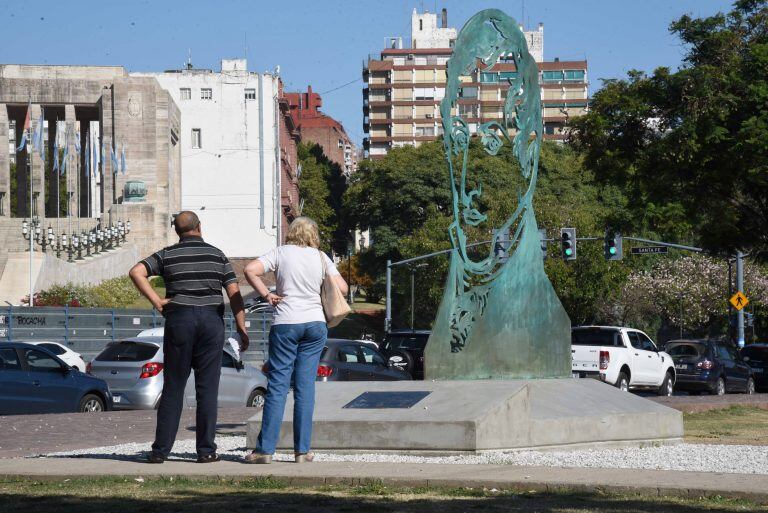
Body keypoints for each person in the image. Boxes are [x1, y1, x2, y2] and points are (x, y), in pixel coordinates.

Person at [128, 211, 249, 464]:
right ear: (200, 226)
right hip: (210, 322)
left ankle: (160, 451)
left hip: (179, 320)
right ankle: (206, 451)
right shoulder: (217, 255)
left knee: (173, 386)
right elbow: (234, 293)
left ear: (177, 231)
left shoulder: (167, 254)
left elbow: (136, 271)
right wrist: (242, 329)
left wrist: (158, 302)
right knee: (207, 390)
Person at [242, 216, 348, 464]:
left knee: (278, 386)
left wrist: (267, 294)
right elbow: (342, 288)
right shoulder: (321, 257)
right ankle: (302, 451)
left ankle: (265, 451)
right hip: (315, 324)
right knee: (305, 388)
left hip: (286, 322)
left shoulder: (281, 253)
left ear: (292, 232)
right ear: (313, 235)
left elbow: (249, 270)